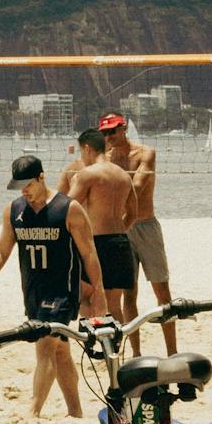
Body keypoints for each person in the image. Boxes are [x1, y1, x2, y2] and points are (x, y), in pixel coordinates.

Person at [0, 155, 102, 419]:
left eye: (29, 184)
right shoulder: (14, 211)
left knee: (44, 345)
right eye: (20, 186)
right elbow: (2, 249)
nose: (25, 191)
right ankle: (75, 411)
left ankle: (33, 411)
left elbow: (89, 253)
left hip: (62, 291)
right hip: (33, 290)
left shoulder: (68, 209)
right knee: (61, 351)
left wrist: (98, 291)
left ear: (42, 177)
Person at [99, 112, 176, 352]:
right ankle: (136, 353)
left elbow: (138, 187)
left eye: (113, 130)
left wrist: (102, 182)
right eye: (105, 132)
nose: (109, 136)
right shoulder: (105, 159)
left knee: (162, 290)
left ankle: (172, 351)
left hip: (145, 225)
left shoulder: (145, 153)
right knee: (128, 294)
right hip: (120, 227)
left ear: (124, 129)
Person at [66, 130, 138, 344]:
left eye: (81, 152)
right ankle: (114, 348)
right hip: (121, 242)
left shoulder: (87, 175)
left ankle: (95, 344)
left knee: (86, 297)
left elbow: (66, 208)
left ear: (87, 148)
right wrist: (118, 231)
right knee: (114, 303)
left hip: (97, 243)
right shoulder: (123, 175)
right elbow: (133, 212)